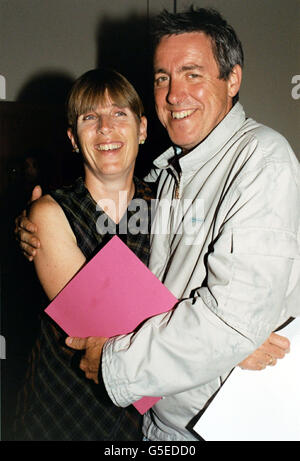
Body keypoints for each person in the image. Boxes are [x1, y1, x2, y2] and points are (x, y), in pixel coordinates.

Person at [15, 7, 299, 441]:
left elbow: (231, 319)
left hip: (210, 422)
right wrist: (230, 345)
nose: (174, 93)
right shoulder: (165, 182)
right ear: (73, 136)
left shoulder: (259, 160)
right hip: (87, 410)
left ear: (233, 80)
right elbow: (112, 313)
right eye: (163, 78)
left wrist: (232, 339)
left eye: (192, 74)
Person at [13, 68, 151, 441]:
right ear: (74, 139)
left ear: (142, 129)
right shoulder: (49, 213)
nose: (106, 127)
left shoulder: (168, 203)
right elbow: (107, 328)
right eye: (90, 117)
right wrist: (223, 348)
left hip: (142, 424)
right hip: (63, 413)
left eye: (119, 113)